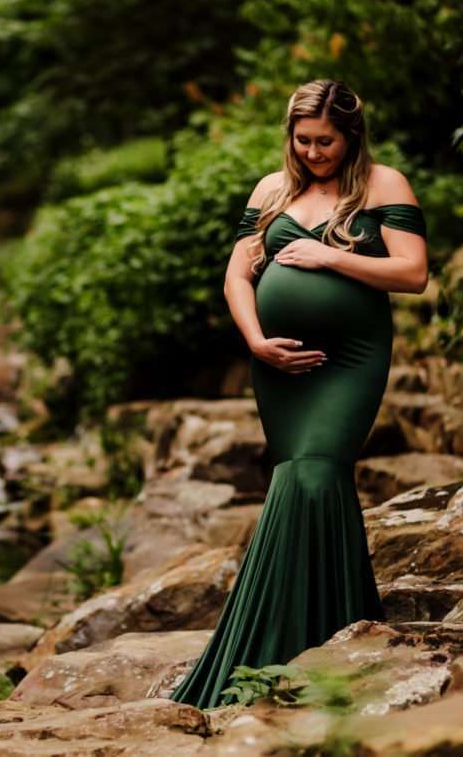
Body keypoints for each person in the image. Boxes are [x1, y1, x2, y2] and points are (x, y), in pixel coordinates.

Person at [167, 79, 429, 710]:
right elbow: (236, 274)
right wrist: (256, 340)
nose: (314, 152)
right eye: (303, 140)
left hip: (352, 360)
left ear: (351, 137)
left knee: (315, 473)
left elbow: (413, 274)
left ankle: (278, 642)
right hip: (279, 365)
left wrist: (330, 258)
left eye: (327, 142)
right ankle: (338, 628)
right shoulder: (272, 191)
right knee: (300, 476)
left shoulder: (383, 186)